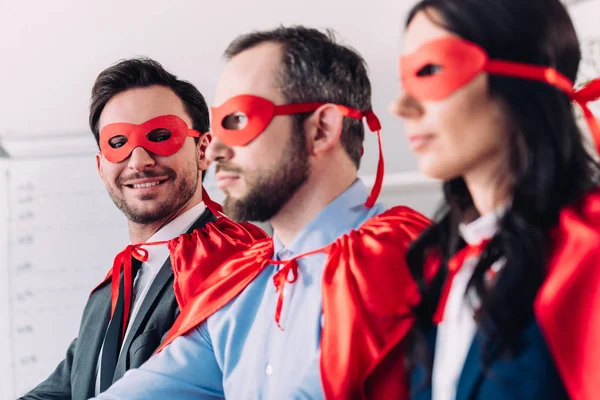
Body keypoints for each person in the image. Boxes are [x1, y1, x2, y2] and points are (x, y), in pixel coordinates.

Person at [93, 26, 430, 400]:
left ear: (322, 129)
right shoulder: (238, 287)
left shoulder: (417, 260)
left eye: (238, 120)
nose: (215, 150)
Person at [20, 58, 266, 400]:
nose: (139, 162)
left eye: (161, 136)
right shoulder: (109, 292)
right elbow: (60, 391)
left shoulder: (236, 262)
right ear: (101, 166)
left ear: (204, 150)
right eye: (118, 143)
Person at [389, 0, 600, 399]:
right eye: (405, 78)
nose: (400, 106)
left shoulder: (587, 252)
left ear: (523, 78)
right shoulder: (447, 262)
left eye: (430, 70)